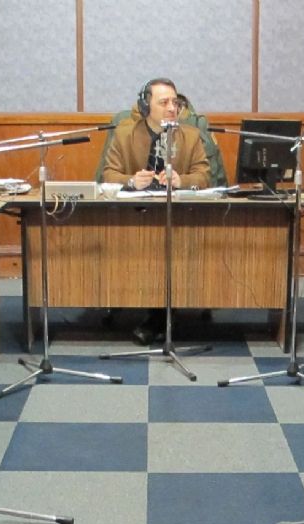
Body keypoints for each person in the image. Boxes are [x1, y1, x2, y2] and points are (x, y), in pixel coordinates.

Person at [102, 78, 210, 344]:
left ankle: (159, 317)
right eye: (164, 102)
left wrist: (181, 180)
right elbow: (108, 174)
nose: (172, 108)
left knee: (168, 245)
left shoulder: (191, 136)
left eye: (176, 102)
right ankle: (158, 316)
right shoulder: (124, 134)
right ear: (145, 106)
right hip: (134, 216)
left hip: (179, 217)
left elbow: (204, 175)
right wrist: (131, 181)